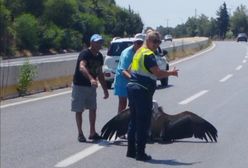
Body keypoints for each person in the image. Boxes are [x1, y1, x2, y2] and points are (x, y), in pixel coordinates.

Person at [126, 31, 179, 161]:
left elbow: (128, 70)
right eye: (154, 41)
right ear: (148, 40)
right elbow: (158, 73)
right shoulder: (148, 55)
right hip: (142, 91)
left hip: (132, 88)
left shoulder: (139, 52)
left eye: (158, 42)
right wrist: (171, 73)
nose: (156, 44)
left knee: (133, 120)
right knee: (143, 123)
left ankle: (131, 151)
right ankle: (140, 153)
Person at [71, 34, 109, 142]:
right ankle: (80, 133)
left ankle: (92, 132)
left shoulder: (99, 56)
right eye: (97, 42)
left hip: (91, 87)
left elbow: (100, 73)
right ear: (91, 43)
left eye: (100, 42)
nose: (99, 44)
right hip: (80, 85)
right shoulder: (85, 54)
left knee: (93, 108)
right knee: (79, 110)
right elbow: (82, 67)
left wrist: (105, 90)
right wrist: (91, 79)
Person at [113, 35, 144, 113]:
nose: (139, 45)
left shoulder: (142, 52)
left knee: (135, 102)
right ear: (134, 43)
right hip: (122, 79)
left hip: (133, 77)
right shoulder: (127, 54)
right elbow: (124, 71)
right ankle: (119, 122)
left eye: (141, 43)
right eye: (138, 43)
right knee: (123, 103)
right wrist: (135, 80)